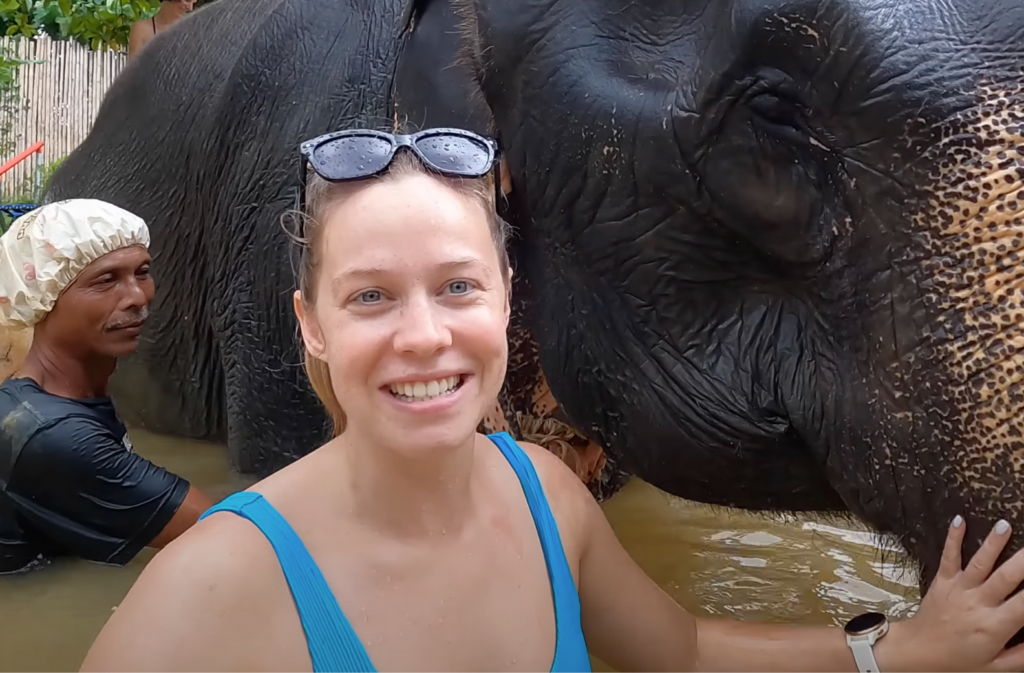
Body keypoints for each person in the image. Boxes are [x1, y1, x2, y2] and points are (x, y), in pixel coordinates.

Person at [82, 128, 1024, 672]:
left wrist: (900, 649)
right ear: (311, 324)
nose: (423, 335)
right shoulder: (207, 588)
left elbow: (687, 649)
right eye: (371, 295)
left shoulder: (545, 494)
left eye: (458, 287)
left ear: (506, 300)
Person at [0, 199, 212, 574]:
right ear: (42, 299)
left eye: (142, 272)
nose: (138, 297)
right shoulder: (53, 437)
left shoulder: (50, 400)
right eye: (106, 280)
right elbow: (232, 535)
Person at [127, 0, 200, 59]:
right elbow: (134, 70)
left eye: (193, 4)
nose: (190, 8)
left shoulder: (189, 33)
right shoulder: (141, 29)